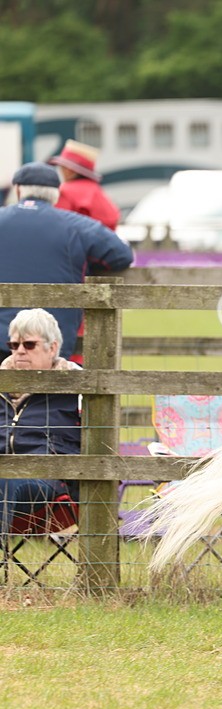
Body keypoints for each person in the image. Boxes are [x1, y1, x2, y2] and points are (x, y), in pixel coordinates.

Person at [0, 163, 132, 363]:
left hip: (3, 336)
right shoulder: (77, 225)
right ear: (55, 194)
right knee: (50, 394)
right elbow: (121, 255)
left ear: (18, 190)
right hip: (51, 340)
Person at [1, 309, 82, 539]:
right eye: (14, 345)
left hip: (50, 482)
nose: (20, 352)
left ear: (52, 348)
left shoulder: (76, 389)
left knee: (5, 484)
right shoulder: (1, 386)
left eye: (29, 344)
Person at [49, 140, 120, 231]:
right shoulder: (97, 190)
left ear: (71, 170)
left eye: (63, 167)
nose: (61, 171)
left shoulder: (65, 191)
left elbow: (58, 224)